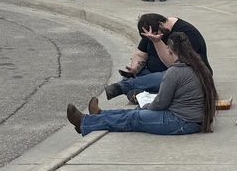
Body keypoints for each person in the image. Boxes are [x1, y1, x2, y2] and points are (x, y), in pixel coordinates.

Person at [69, 32, 217, 136]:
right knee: (136, 113)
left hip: (183, 122)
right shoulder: (198, 65)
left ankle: (85, 123)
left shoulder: (176, 71)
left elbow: (161, 103)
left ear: (170, 51)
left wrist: (147, 106)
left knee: (135, 117)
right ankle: (99, 115)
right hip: (193, 119)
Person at [105, 13, 211, 100]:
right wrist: (134, 69)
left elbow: (173, 65)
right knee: (134, 75)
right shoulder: (152, 32)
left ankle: (123, 87)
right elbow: (140, 54)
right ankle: (140, 92)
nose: (153, 37)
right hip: (153, 73)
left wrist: (157, 41)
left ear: (161, 24)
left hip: (185, 75)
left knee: (167, 76)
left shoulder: (184, 33)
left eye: (155, 35)